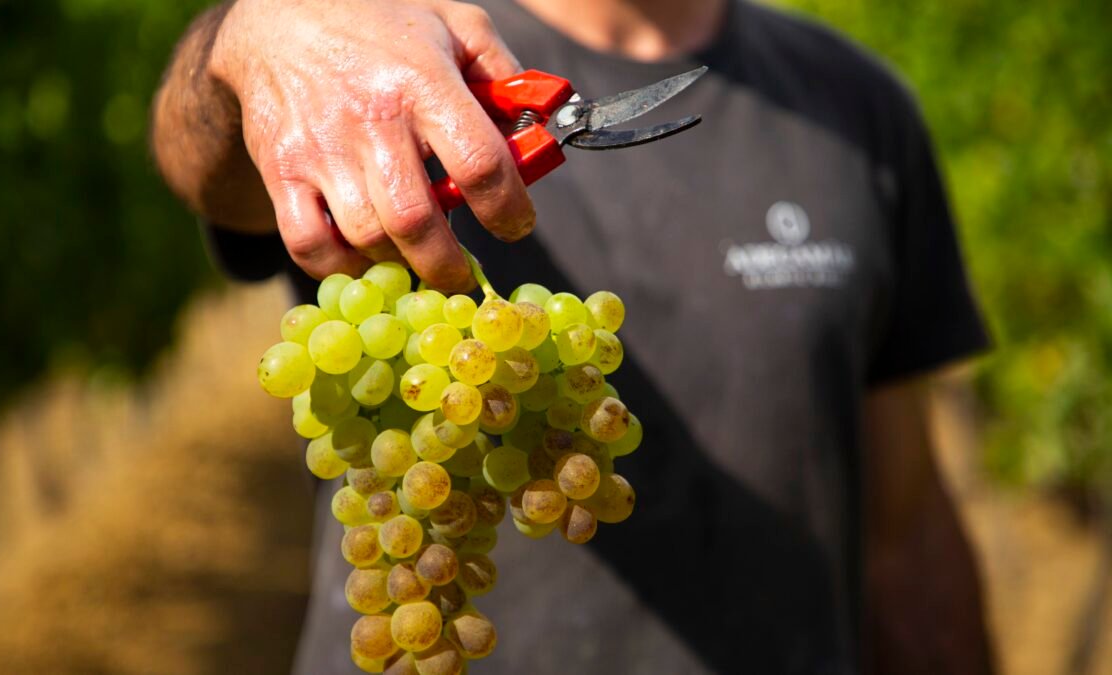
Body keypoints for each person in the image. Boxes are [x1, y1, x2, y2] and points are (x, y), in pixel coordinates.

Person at [151, 0, 997, 672]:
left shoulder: (856, 107)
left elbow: (907, 525)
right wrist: (249, 43)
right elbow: (203, 165)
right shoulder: (397, 56)